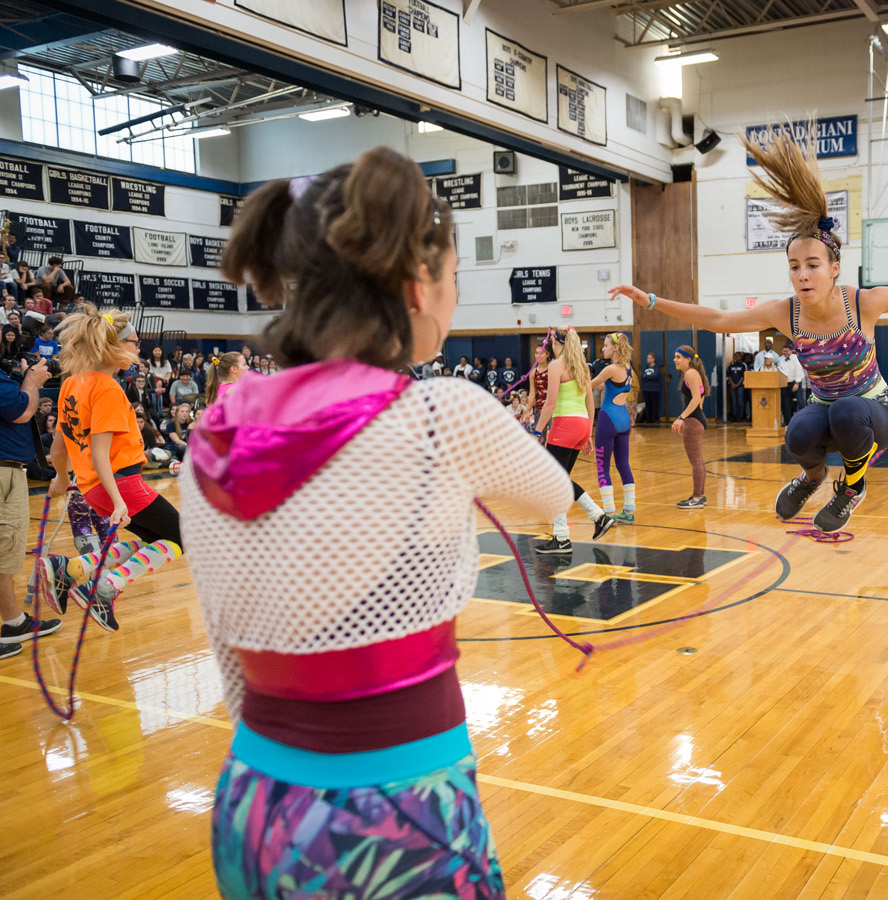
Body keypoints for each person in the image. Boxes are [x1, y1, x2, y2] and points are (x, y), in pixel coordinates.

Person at [176, 147, 575, 900]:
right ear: (415, 288)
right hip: (399, 811)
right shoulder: (440, 414)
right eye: (454, 277)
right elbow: (551, 493)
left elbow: (230, 660)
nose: (454, 299)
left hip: (254, 800)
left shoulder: (213, 439)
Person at [610, 123, 888, 532]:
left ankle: (852, 487)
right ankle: (812, 478)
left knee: (847, 410)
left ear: (834, 268)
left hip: (876, 412)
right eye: (794, 266)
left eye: (813, 265)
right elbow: (719, 320)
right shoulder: (786, 312)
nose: (803, 274)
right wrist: (651, 300)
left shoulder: (864, 302)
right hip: (826, 407)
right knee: (799, 429)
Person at [45, 305, 182, 632]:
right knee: (183, 536)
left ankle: (72, 569)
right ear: (115, 346)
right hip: (119, 485)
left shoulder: (71, 384)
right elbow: (100, 455)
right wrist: (119, 501)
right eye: (135, 342)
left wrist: (61, 479)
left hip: (94, 489)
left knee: (158, 539)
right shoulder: (106, 387)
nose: (138, 349)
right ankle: (104, 588)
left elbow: (59, 447)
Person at [531, 327, 612, 553]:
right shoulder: (581, 367)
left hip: (564, 426)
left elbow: (550, 404)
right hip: (581, 425)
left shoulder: (557, 366)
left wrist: (536, 432)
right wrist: (588, 434)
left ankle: (590, 521)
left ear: (556, 343)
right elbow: (590, 403)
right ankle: (567, 533)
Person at [0, 358, 61, 660]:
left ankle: (13, 622)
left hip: (10, 470)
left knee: (5, 552)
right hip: (2, 472)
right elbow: (22, 410)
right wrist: (32, 381)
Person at [590, 333, 637, 523]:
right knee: (623, 465)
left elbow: (589, 385)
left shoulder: (610, 368)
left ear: (615, 348)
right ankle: (629, 511)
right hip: (624, 420)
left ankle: (608, 513)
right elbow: (608, 385)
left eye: (606, 345)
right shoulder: (627, 368)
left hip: (608, 418)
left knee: (602, 467)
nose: (603, 349)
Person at [672, 345, 709, 509]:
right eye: (675, 357)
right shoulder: (694, 373)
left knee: (696, 462)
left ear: (688, 359)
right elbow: (701, 398)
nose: (675, 360)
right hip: (697, 419)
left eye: (678, 357)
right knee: (698, 461)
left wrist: (682, 418)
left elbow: (695, 399)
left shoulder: (690, 373)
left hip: (693, 421)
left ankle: (696, 497)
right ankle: (700, 496)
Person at [526, 338, 552, 432]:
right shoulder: (533, 373)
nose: (538, 356)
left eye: (541, 353)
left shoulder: (552, 370)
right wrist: (528, 410)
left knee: (554, 438)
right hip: (539, 408)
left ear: (548, 354)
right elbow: (532, 393)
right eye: (536, 353)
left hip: (553, 408)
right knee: (539, 436)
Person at [777, 345, 804, 424]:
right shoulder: (780, 359)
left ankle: (803, 420)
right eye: (784, 351)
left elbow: (799, 371)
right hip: (785, 384)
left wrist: (797, 383)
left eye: (787, 351)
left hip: (795, 382)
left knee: (800, 402)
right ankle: (788, 423)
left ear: (791, 351)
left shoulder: (796, 358)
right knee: (786, 404)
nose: (785, 353)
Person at [640, 352, 662, 424]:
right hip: (646, 389)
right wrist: (648, 377)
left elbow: (655, 376)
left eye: (649, 358)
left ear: (653, 359)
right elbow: (642, 376)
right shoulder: (646, 367)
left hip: (654, 389)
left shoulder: (656, 367)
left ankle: (656, 419)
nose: (647, 359)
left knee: (654, 404)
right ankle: (649, 419)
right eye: (647, 357)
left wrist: (647, 377)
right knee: (648, 404)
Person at [727, 351, 747, 423]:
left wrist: (738, 384)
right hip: (732, 385)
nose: (736, 357)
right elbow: (729, 375)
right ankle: (734, 416)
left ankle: (740, 416)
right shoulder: (731, 365)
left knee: (740, 401)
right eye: (735, 356)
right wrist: (732, 383)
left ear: (741, 357)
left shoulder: (743, 365)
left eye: (738, 356)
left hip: (740, 385)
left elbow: (743, 376)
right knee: (734, 401)